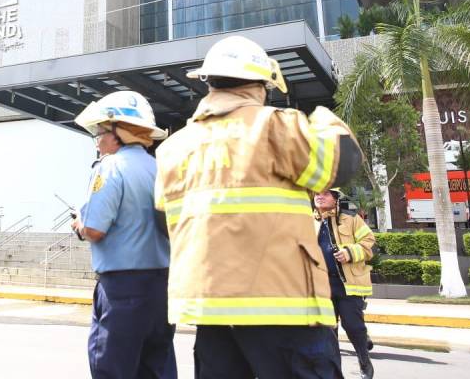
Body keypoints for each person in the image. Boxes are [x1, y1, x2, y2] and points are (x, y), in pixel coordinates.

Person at [155, 36, 363, 379]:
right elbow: (343, 163)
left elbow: (167, 225)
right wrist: (325, 118)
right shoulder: (277, 126)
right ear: (261, 85)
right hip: (285, 311)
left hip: (211, 315)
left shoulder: (173, 149)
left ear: (208, 83)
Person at [71, 91, 176, 379]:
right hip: (162, 286)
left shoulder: (110, 167)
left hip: (122, 289)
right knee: (157, 366)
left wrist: (79, 224)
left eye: (101, 131)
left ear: (119, 133)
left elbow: (94, 229)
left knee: (113, 368)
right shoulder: (160, 168)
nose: (98, 139)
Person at [314, 188, 376, 379]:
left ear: (335, 199)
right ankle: (334, 373)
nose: (319, 196)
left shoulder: (351, 219)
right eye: (316, 193)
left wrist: (349, 253)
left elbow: (369, 242)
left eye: (325, 193)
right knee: (328, 331)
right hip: (321, 286)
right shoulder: (308, 221)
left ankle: (364, 362)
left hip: (348, 285)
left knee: (353, 326)